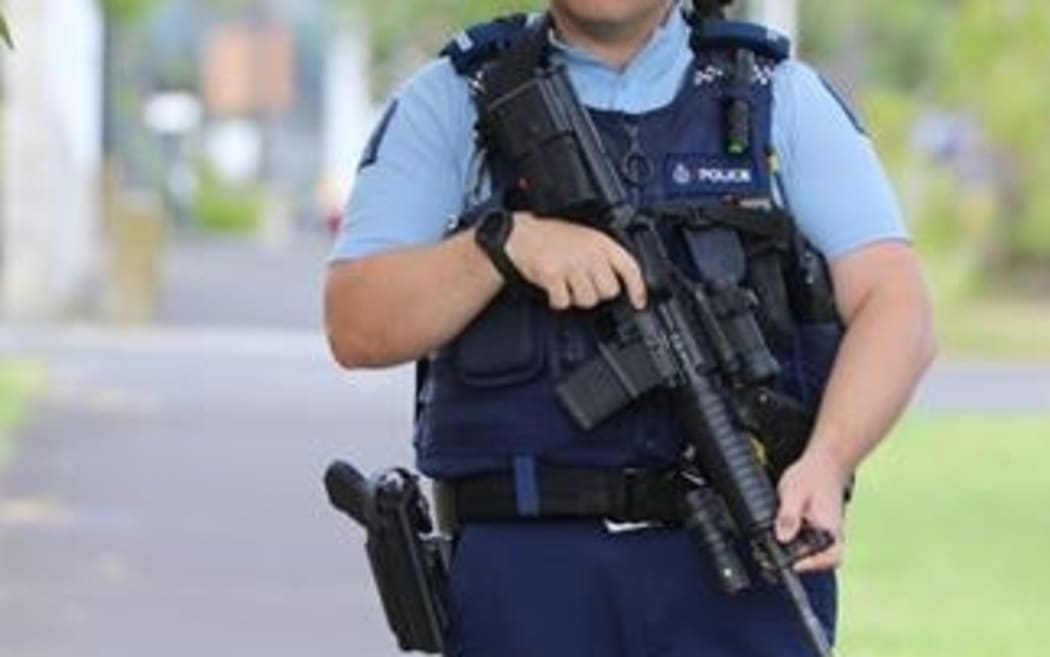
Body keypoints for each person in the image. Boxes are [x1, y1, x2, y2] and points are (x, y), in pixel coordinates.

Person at [324, 0, 936, 655]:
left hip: (743, 555)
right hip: (527, 583)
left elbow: (897, 304)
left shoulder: (775, 95)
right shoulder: (455, 100)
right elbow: (356, 322)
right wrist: (500, 249)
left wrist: (828, 458)